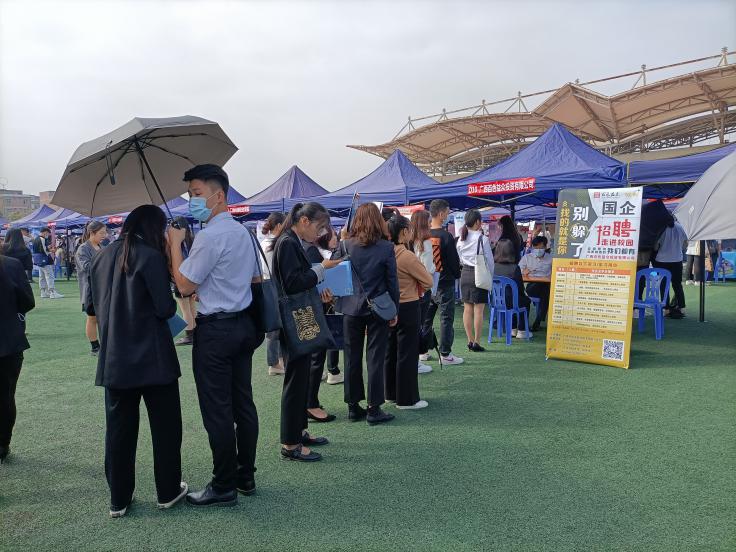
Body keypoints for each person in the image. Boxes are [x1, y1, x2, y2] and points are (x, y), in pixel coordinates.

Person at [169, 164, 264, 505]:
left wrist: (174, 245)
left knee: (218, 409)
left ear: (218, 195)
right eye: (190, 195)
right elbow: (254, 279)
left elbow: (184, 285)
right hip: (243, 324)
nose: (192, 201)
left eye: (196, 194)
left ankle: (224, 484)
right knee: (242, 403)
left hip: (216, 330)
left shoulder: (210, 236)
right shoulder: (243, 232)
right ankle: (245, 475)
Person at [89, 205, 185, 518]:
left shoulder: (101, 256)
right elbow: (166, 308)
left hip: (115, 359)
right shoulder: (150, 256)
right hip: (154, 359)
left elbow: (91, 306)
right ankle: (167, 491)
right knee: (166, 429)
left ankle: (118, 499)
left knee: (118, 432)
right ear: (154, 228)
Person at [271, 202, 340, 461]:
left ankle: (298, 433)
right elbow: (293, 283)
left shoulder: (290, 241)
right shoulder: (289, 243)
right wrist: (320, 270)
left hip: (297, 317)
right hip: (294, 318)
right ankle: (291, 443)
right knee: (295, 381)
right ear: (304, 222)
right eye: (319, 227)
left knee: (299, 380)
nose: (320, 233)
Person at [337, 203, 399, 425]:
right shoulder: (386, 247)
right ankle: (374, 408)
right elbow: (392, 281)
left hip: (350, 307)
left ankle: (353, 406)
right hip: (378, 307)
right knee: (375, 358)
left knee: (351, 357)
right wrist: (394, 309)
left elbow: (336, 274)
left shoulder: (345, 245)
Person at [385, 215, 433, 409]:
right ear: (404, 232)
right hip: (408, 305)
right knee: (407, 352)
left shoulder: (385, 253)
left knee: (390, 351)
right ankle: (407, 399)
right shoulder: (406, 256)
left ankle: (390, 393)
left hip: (389, 306)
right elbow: (428, 281)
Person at [0, 253, 35, 463]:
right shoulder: (11, 264)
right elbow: (27, 301)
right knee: (5, 396)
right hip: (7, 340)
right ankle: (3, 444)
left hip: (8, 341)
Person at [422, 199, 463, 365]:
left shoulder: (424, 235)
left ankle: (423, 351)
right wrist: (456, 274)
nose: (447, 215)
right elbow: (453, 262)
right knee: (446, 318)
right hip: (444, 282)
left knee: (426, 318)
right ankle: (445, 353)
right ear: (441, 214)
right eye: (447, 212)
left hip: (426, 282)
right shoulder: (446, 236)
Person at [456, 208, 493, 352]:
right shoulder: (483, 239)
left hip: (465, 273)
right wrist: (490, 276)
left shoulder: (461, 239)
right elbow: (489, 261)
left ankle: (470, 340)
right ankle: (477, 342)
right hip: (479, 273)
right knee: (479, 310)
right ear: (477, 222)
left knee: (467, 309)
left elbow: (460, 258)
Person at [76, 221, 107, 355]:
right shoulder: (83, 248)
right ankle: (95, 347)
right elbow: (87, 267)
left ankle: (105, 345)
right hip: (90, 290)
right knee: (92, 318)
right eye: (102, 233)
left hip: (103, 288)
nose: (105, 235)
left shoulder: (102, 247)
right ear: (92, 233)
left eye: (105, 232)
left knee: (104, 318)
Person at [410, 210, 435, 373]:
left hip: (410, 288)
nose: (431, 224)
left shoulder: (408, 241)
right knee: (419, 325)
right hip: (422, 288)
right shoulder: (426, 242)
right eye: (429, 221)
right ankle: (417, 361)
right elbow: (428, 268)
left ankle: (415, 359)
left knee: (413, 326)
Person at [261, 212, 286, 375]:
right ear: (278, 226)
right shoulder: (272, 244)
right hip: (274, 286)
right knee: (274, 328)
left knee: (276, 326)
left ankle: (278, 361)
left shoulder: (265, 242)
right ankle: (274, 363)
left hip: (267, 285)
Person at [494, 239, 532, 339]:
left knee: (513, 300)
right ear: (512, 251)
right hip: (512, 301)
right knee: (524, 301)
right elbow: (519, 288)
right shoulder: (515, 268)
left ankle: (512, 329)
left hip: (497, 302)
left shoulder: (493, 267)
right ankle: (522, 330)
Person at [651, 218, 688, 319]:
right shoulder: (680, 227)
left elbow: (655, 247)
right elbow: (685, 244)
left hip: (661, 261)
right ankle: (681, 308)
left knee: (663, 285)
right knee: (677, 284)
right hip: (677, 260)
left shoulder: (661, 228)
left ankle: (666, 309)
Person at [519, 235, 553, 331]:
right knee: (545, 293)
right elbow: (519, 269)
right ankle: (538, 321)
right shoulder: (527, 257)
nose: (538, 250)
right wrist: (523, 271)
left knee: (546, 291)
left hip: (546, 285)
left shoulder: (551, 259)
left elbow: (555, 271)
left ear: (545, 247)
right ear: (533, 247)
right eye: (536, 247)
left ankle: (538, 320)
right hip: (531, 286)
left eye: (540, 248)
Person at [171, 217, 196, 346]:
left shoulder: (177, 243)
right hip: (193, 278)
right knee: (191, 307)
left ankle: (190, 335)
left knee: (185, 309)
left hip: (181, 278)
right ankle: (194, 332)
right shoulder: (192, 240)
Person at [32, 227, 63, 299]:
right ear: (45, 232)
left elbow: (39, 249)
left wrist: (48, 249)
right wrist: (51, 251)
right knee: (49, 276)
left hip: (38, 260)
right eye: (48, 233)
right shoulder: (42, 239)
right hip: (44, 260)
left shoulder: (36, 239)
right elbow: (44, 250)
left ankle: (43, 292)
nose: (48, 235)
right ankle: (52, 292)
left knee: (42, 276)